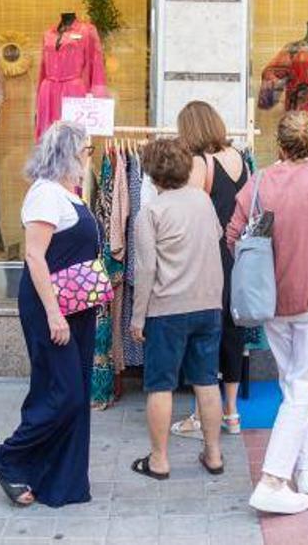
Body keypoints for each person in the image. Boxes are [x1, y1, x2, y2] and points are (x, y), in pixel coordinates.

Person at [227, 112, 308, 515]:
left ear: (281, 145)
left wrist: (258, 272)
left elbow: (232, 234)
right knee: (301, 388)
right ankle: (273, 478)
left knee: (292, 384)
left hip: (271, 300)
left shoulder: (262, 180)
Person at [0, 121, 99, 508]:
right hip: (51, 307)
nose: (89, 157)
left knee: (64, 389)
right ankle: (10, 457)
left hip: (74, 307)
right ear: (68, 153)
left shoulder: (67, 194)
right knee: (64, 392)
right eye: (85, 150)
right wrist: (55, 315)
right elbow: (34, 256)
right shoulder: (44, 195)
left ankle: (55, 476)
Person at [129, 138, 226, 480]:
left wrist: (138, 316)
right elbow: (215, 240)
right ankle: (213, 454)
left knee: (160, 385)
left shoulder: (151, 212)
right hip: (208, 305)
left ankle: (159, 460)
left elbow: (146, 270)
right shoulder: (203, 200)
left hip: (167, 309)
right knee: (206, 382)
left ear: (152, 174)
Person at [170, 100, 250, 440]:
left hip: (208, 256)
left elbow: (189, 215)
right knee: (233, 334)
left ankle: (203, 415)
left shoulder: (200, 164)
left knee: (204, 335)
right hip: (239, 255)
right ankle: (231, 413)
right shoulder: (240, 160)